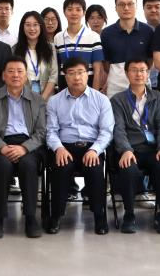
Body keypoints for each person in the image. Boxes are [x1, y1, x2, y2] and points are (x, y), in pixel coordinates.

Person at [45, 56, 114, 235]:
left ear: (87, 74)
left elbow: (106, 131)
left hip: (91, 147)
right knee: (61, 168)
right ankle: (56, 215)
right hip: (65, 146)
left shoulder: (101, 100)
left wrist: (95, 150)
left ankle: (99, 216)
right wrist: (58, 148)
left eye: (81, 72)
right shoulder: (54, 101)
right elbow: (51, 131)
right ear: (65, 76)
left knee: (95, 169)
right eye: (71, 73)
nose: (77, 77)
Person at [0, 56, 46, 239]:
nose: (15, 75)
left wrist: (24, 148)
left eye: (20, 71)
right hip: (1, 144)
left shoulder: (37, 100)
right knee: (2, 165)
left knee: (28, 165)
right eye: (10, 71)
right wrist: (2, 147)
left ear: (26, 76)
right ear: (3, 75)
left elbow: (42, 132)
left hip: (28, 145)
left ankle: (31, 218)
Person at [110, 58, 160, 234]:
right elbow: (118, 129)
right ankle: (129, 214)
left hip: (154, 149)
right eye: (134, 70)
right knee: (128, 168)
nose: (138, 74)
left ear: (148, 74)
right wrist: (125, 150)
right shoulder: (117, 100)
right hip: (131, 149)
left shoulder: (157, 97)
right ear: (126, 73)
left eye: (142, 70)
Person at [100, 0, 154, 98]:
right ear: (116, 8)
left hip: (141, 82)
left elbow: (151, 59)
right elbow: (106, 63)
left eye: (130, 4)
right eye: (121, 4)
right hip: (116, 85)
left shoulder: (148, 31)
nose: (126, 8)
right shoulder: (106, 33)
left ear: (136, 7)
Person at [54, 0, 105, 93]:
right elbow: (57, 68)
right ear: (64, 12)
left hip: (88, 90)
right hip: (64, 90)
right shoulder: (58, 38)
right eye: (70, 9)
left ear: (84, 13)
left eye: (78, 9)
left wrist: (94, 95)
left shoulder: (93, 37)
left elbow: (97, 71)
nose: (74, 13)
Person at [11, 11, 57, 100]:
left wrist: (42, 99)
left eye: (35, 25)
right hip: (23, 98)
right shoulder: (15, 50)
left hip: (47, 99)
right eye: (28, 25)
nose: (32, 28)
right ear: (22, 27)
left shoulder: (50, 48)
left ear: (41, 27)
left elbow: (54, 75)